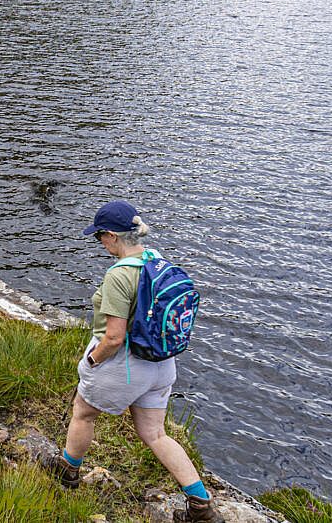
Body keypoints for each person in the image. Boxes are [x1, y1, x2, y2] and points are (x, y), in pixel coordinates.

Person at [43, 201, 223, 523]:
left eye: (100, 236)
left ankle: (68, 472)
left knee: (83, 413)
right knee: (155, 434)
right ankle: (201, 507)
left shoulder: (119, 275)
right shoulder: (155, 260)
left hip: (126, 365)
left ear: (111, 236)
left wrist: (92, 362)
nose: (100, 243)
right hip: (161, 364)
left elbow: (113, 337)